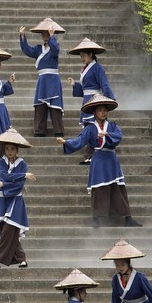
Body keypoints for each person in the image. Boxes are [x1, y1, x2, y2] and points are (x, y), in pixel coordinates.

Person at [58, 94, 138, 228]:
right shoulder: (90, 128)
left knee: (118, 187)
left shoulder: (112, 126)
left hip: (111, 159)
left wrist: (107, 134)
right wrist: (66, 142)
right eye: (100, 110)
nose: (103, 112)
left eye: (105, 110)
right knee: (98, 188)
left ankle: (128, 218)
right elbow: (80, 140)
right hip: (99, 160)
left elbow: (118, 136)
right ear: (94, 112)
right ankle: (95, 219)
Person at [0, 128, 36, 268]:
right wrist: (23, 175)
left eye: (12, 149)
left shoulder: (23, 164)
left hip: (16, 201)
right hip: (1, 200)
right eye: (7, 149)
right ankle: (22, 259)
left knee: (9, 229)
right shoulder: (0, 162)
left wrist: (4, 184)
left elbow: (18, 186)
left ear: (17, 150)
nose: (9, 152)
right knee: (7, 231)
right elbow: (3, 176)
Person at [65, 37, 114, 165]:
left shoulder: (98, 68)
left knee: (95, 128)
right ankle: (89, 155)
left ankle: (93, 155)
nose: (82, 58)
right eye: (81, 56)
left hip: (95, 100)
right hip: (87, 100)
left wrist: (110, 99)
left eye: (84, 55)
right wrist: (74, 84)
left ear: (91, 54)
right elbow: (84, 89)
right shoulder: (84, 69)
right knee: (89, 128)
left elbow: (104, 84)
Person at [18, 18, 66, 137]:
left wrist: (52, 36)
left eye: (47, 34)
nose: (45, 36)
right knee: (40, 105)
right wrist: (22, 36)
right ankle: (40, 130)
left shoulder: (54, 46)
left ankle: (58, 130)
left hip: (53, 79)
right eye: (43, 34)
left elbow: (55, 50)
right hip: (42, 79)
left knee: (55, 105)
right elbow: (27, 50)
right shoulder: (38, 49)